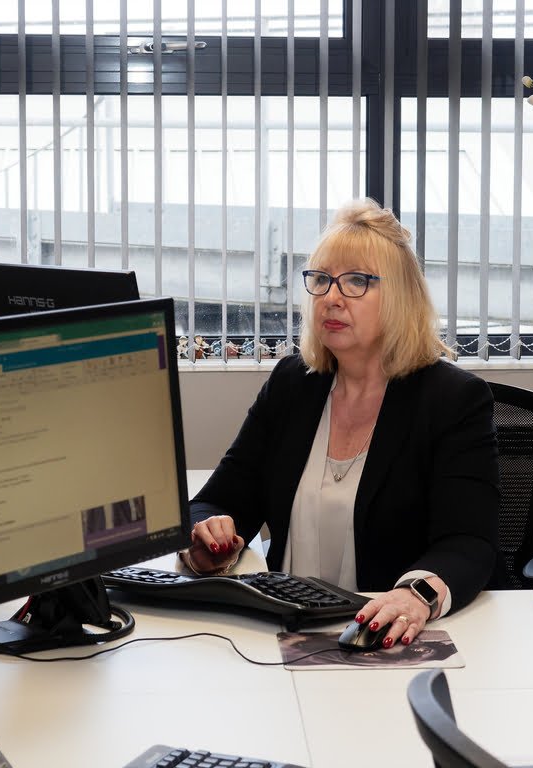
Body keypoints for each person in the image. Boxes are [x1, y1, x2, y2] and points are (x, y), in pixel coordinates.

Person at [183, 198, 499, 651]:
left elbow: (469, 542)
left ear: (400, 297)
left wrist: (416, 597)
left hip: (385, 637)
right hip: (283, 632)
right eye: (322, 280)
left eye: (356, 281)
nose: (332, 297)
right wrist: (209, 531)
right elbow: (217, 500)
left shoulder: (452, 401)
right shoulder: (293, 385)